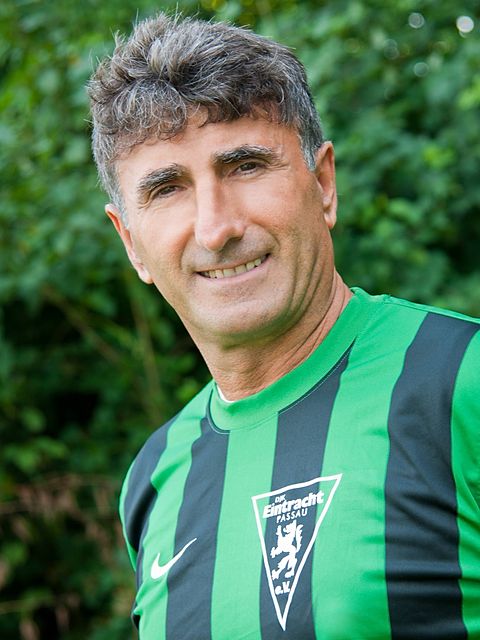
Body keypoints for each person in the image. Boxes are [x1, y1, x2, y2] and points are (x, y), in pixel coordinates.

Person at [88, 13, 480, 640]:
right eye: (167, 189)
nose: (217, 228)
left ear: (323, 185)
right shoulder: (155, 477)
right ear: (130, 242)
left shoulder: (463, 383)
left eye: (245, 165)